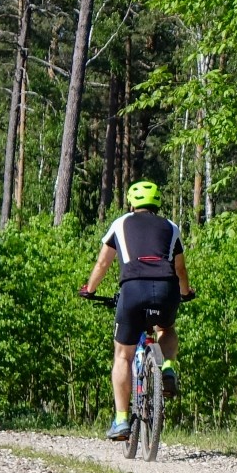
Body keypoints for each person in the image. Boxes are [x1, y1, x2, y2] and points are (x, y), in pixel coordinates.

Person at [80, 180, 193, 441]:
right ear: (157, 204)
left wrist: (90, 289)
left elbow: (102, 263)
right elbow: (181, 270)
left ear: (132, 203)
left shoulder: (121, 223)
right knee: (166, 327)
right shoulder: (171, 227)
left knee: (123, 355)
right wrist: (186, 292)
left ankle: (121, 421)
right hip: (166, 290)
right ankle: (167, 368)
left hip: (133, 290)